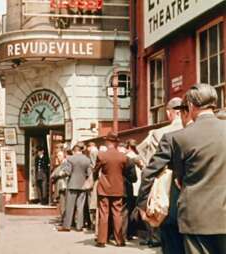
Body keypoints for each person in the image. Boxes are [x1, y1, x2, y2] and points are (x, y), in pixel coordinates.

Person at [138, 83, 226, 254]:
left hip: (195, 217)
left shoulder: (179, 138)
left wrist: (142, 204)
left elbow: (154, 173)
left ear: (191, 106)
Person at [136, 97, 184, 248]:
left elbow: (151, 168)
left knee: (171, 240)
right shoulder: (197, 130)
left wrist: (142, 203)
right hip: (196, 197)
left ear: (170, 113)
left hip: (168, 193)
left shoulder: (159, 134)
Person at [94, 132, 136, 248]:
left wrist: (94, 179)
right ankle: (119, 240)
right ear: (116, 143)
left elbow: (95, 170)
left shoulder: (101, 155)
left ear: (108, 142)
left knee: (104, 213)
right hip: (118, 188)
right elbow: (126, 173)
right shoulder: (123, 157)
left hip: (103, 188)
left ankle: (102, 240)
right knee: (117, 214)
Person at [57, 142, 91, 232]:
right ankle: (79, 226)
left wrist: (61, 173)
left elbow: (67, 172)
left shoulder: (70, 159)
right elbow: (89, 174)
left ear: (75, 150)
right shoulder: (87, 159)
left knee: (69, 206)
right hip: (83, 185)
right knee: (80, 206)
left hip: (72, 184)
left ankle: (67, 226)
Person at [50, 150, 71, 224]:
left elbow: (59, 173)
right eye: (57, 156)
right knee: (62, 203)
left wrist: (56, 174)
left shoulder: (65, 163)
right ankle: (63, 218)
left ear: (63, 156)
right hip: (62, 185)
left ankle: (64, 219)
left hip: (63, 185)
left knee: (63, 203)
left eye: (60, 156)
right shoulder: (61, 164)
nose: (58, 157)